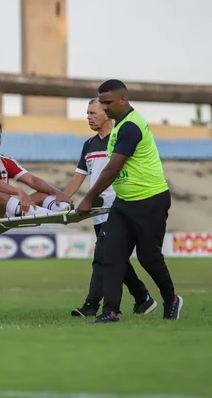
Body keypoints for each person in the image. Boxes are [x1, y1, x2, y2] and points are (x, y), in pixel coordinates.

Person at [76, 79, 183, 323]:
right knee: (111, 255)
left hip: (150, 201)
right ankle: (110, 311)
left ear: (123, 99)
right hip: (124, 203)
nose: (104, 108)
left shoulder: (131, 127)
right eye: (101, 102)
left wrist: (88, 199)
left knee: (148, 257)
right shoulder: (119, 126)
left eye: (108, 102)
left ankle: (171, 299)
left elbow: (113, 168)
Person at [65, 99, 156, 317]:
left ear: (106, 113)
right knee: (116, 259)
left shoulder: (119, 139)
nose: (88, 117)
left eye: (92, 113)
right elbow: (79, 176)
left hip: (117, 209)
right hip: (97, 211)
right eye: (87, 113)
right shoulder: (88, 145)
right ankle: (143, 298)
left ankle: (91, 306)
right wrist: (60, 200)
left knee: (103, 257)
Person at [0, 116, 73, 236]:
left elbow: (32, 180)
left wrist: (56, 192)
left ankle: (63, 209)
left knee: (42, 194)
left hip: (2, 217)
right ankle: (49, 215)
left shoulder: (5, 161)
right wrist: (20, 192)